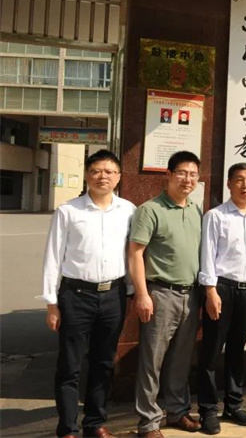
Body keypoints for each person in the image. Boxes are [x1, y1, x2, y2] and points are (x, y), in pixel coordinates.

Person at [39, 150, 135, 438]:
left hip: (113, 295)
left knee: (103, 363)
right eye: (96, 171)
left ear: (118, 177)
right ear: (86, 175)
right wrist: (51, 303)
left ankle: (94, 423)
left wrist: (131, 291)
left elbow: (132, 254)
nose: (102, 176)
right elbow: (53, 257)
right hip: (76, 295)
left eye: (109, 171)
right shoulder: (68, 211)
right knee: (69, 365)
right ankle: (68, 428)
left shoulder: (129, 210)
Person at [129, 151, 203, 438]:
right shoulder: (150, 210)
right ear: (169, 175)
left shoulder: (195, 210)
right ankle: (148, 422)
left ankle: (177, 410)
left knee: (181, 359)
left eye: (193, 174)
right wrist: (142, 294)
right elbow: (136, 253)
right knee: (152, 361)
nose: (188, 179)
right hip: (160, 294)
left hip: (190, 294)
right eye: (182, 173)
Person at [197, 163, 246, 434]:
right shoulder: (215, 216)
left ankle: (233, 405)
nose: (245, 185)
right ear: (229, 184)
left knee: (237, 350)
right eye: (239, 180)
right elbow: (207, 255)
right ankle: (207, 409)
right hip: (222, 290)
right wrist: (210, 291)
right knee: (212, 351)